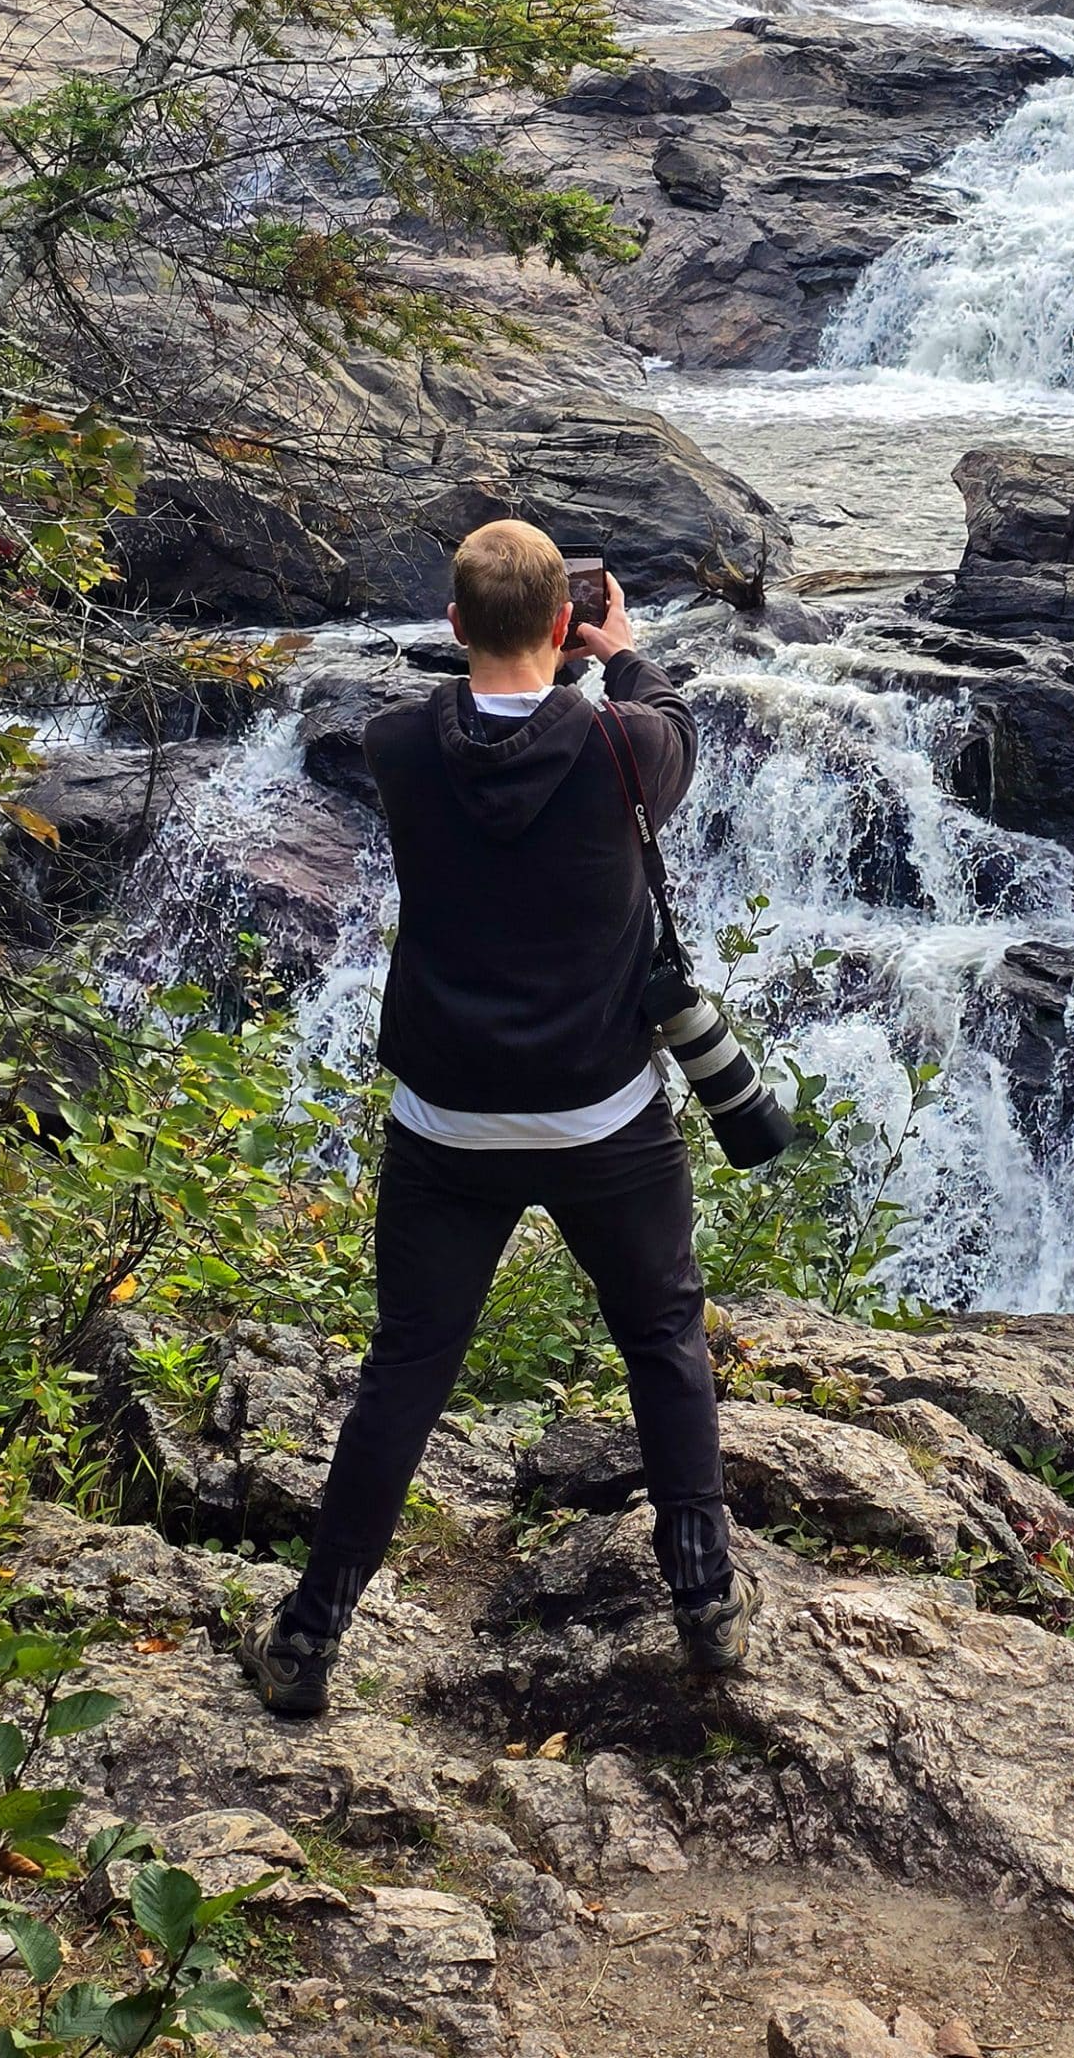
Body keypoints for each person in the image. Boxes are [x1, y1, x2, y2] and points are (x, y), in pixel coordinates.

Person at [239, 518, 759, 1716]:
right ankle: (708, 1606)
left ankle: (310, 1635)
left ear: (455, 624)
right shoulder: (634, 749)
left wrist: (548, 659)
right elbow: (666, 718)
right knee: (664, 1345)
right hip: (604, 1120)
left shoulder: (394, 746)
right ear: (566, 627)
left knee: (406, 1373)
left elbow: (472, 725)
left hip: (447, 1122)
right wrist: (618, 653)